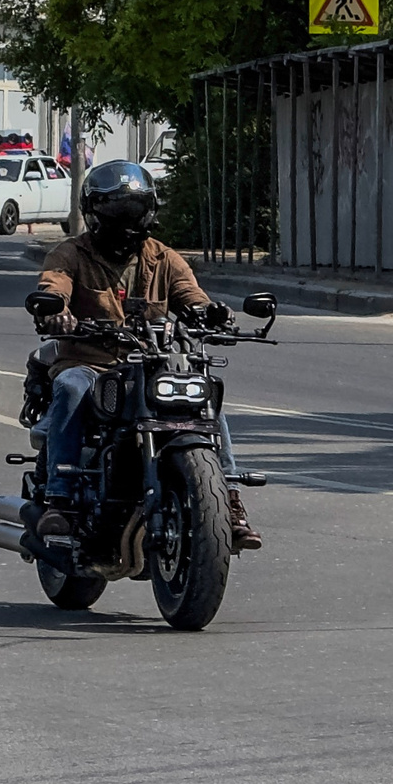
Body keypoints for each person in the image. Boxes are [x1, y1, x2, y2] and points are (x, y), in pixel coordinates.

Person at [29, 160, 260, 551]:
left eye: (133, 210)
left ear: (148, 211)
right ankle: (61, 498)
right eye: (116, 210)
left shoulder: (162, 257)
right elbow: (54, 284)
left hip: (152, 364)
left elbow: (190, 293)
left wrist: (209, 313)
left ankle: (229, 499)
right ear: (95, 213)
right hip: (90, 362)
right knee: (69, 386)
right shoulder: (70, 253)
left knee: (206, 400)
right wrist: (54, 309)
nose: (125, 220)